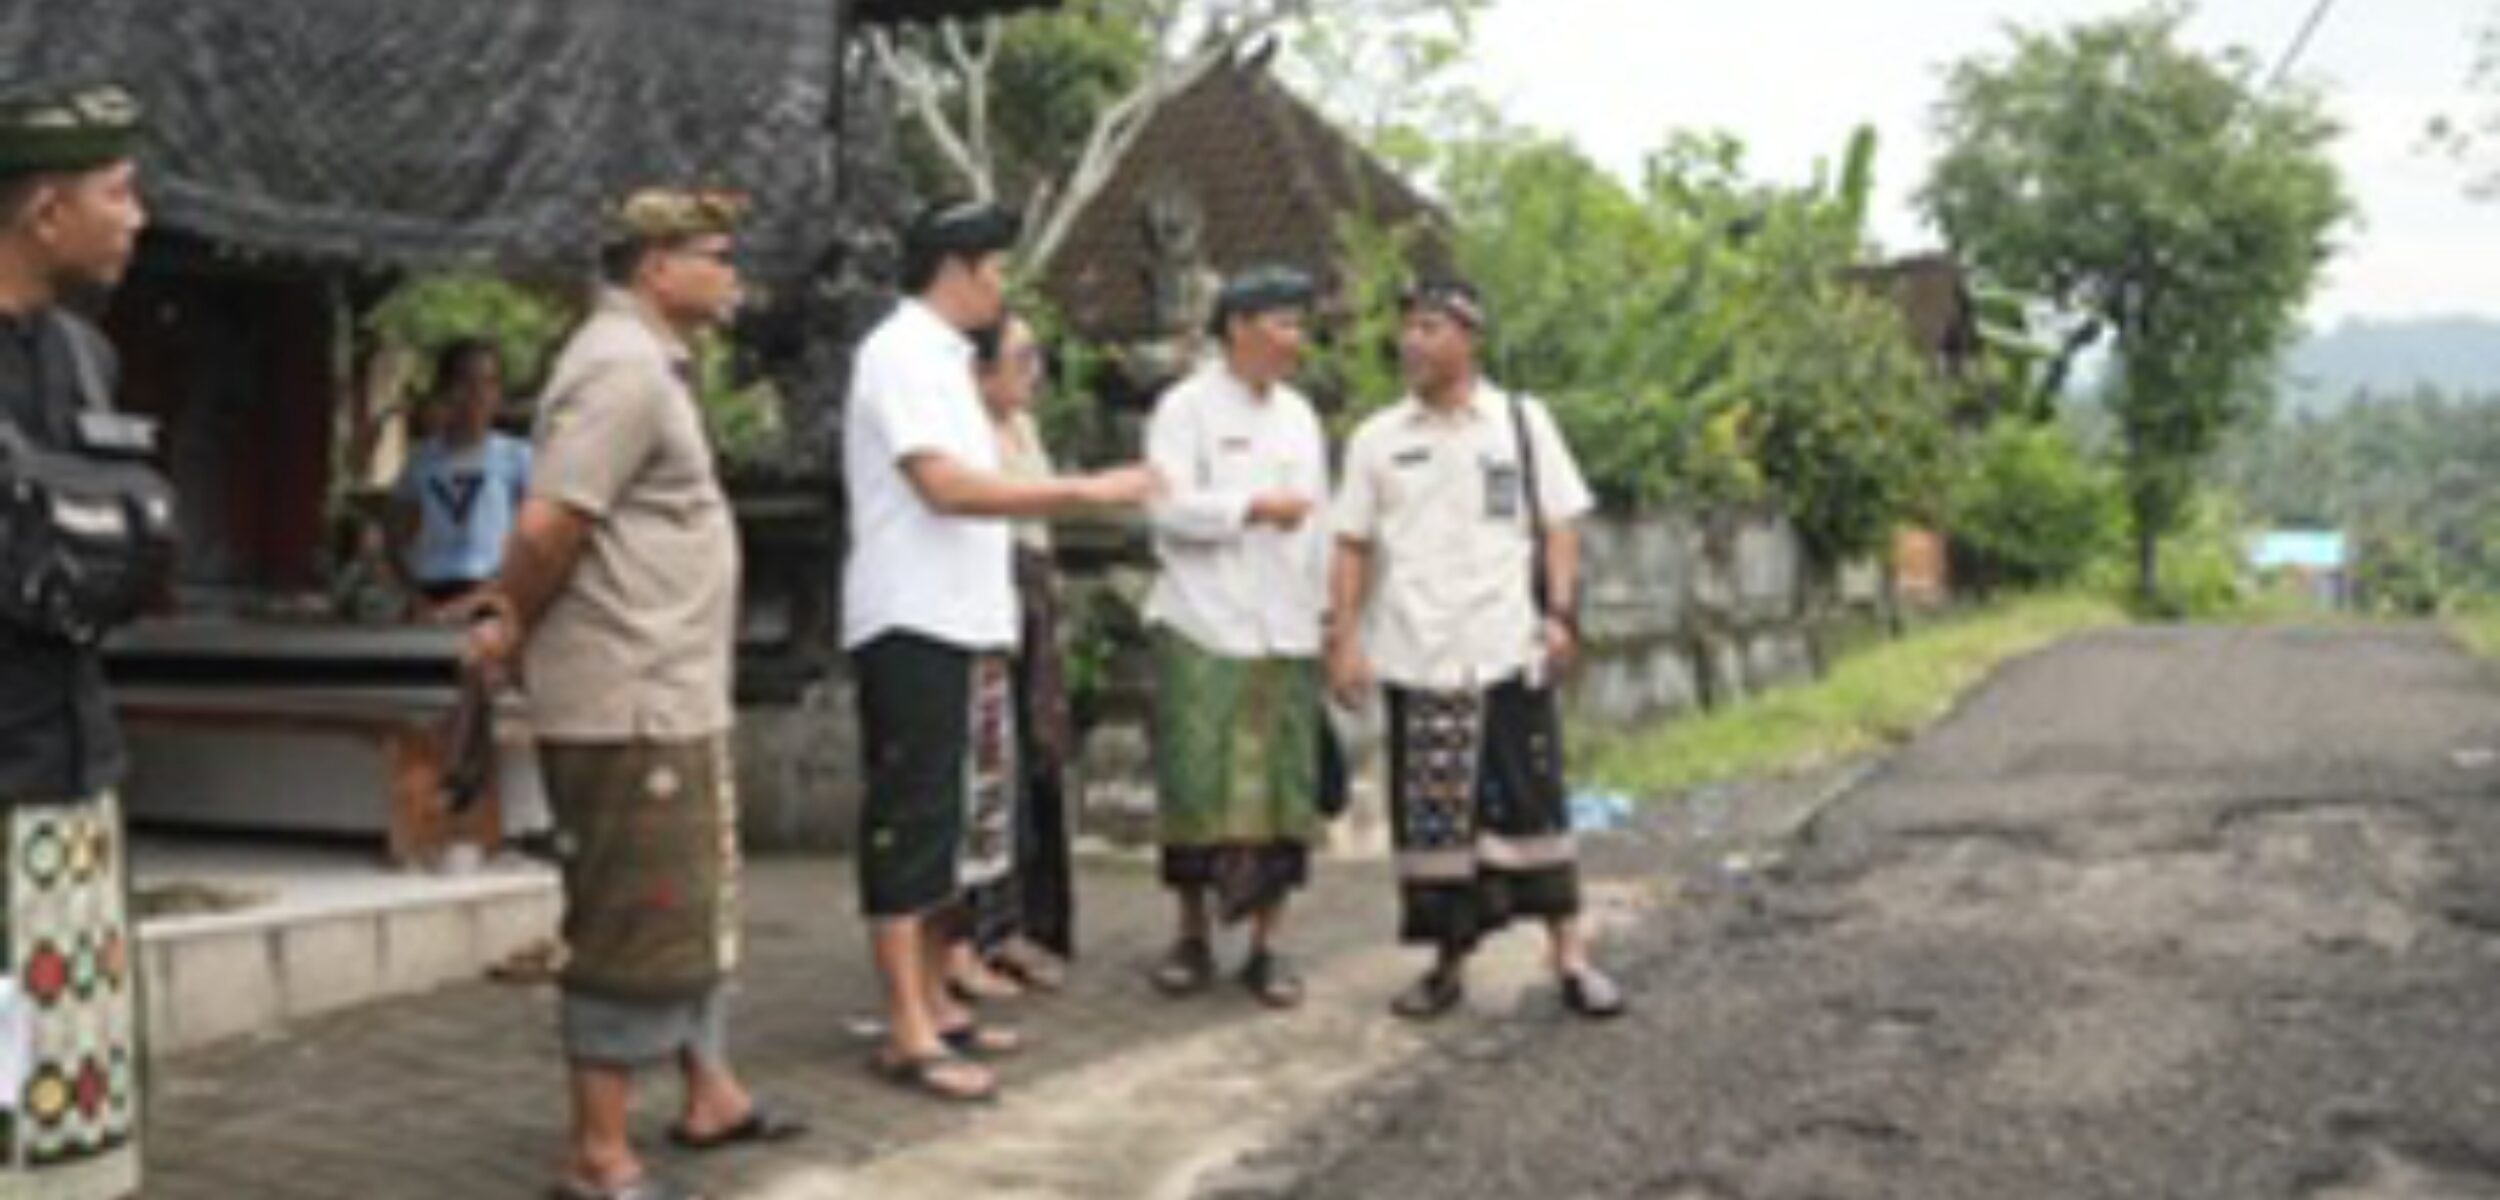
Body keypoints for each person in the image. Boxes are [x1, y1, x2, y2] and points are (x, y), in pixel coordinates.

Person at [462, 188, 800, 1200]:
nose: (732, 270)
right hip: (627, 693)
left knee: (694, 903)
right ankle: (598, 1150)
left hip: (670, 688)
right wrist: (506, 619)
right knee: (633, 911)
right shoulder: (616, 369)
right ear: (656, 265)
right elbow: (548, 527)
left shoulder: (651, 365)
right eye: (715, 253)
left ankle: (711, 1090)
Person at [841, 199, 1159, 1103]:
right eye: (996, 270)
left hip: (968, 616)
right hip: (913, 618)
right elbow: (940, 486)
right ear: (960, 268)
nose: (1003, 288)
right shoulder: (898, 353)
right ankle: (905, 1025)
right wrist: (1084, 490)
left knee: (959, 822)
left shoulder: (943, 362)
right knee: (911, 821)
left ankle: (939, 998)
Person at [1327, 278, 1627, 1022]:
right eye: (1408, 329)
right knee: (1434, 828)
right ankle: (1446, 965)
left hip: (1507, 648)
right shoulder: (1378, 439)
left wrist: (1560, 615)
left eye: (1430, 328)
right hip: (1418, 656)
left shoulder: (1522, 423)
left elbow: (1559, 525)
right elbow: (1352, 545)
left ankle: (1571, 957)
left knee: (1536, 805)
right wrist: (1342, 641)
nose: (1412, 342)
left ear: (1469, 337)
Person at [0, 80, 156, 1200]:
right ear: (46, 211)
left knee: (68, 1089)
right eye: (118, 191)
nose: (137, 215)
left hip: (69, 774)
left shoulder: (87, 357)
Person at [1140, 264, 1331, 1008]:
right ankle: (1189, 935)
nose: (1296, 342)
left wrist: (1326, 617)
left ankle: (1269, 944)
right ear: (1238, 329)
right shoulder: (1183, 408)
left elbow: (1317, 525)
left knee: (1286, 793)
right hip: (1202, 621)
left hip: (1284, 627)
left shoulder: (1300, 416)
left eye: (1298, 326)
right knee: (1195, 789)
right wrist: (1249, 506)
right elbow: (1165, 509)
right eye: (1283, 325)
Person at [945, 311, 1080, 1002]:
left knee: (1038, 763)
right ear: (980, 369)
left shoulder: (1022, 428)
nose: (1034, 373)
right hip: (987, 600)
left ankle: (1027, 923)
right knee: (990, 769)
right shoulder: (959, 435)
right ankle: (978, 934)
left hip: (1033, 599)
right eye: (1021, 359)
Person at [389, 337, 531, 614]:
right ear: (444, 390)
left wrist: (486, 596)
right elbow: (394, 534)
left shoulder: (518, 457)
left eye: (489, 383)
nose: (477, 394)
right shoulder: (421, 460)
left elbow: (533, 541)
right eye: (465, 383)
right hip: (431, 590)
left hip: (493, 593)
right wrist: (412, 594)